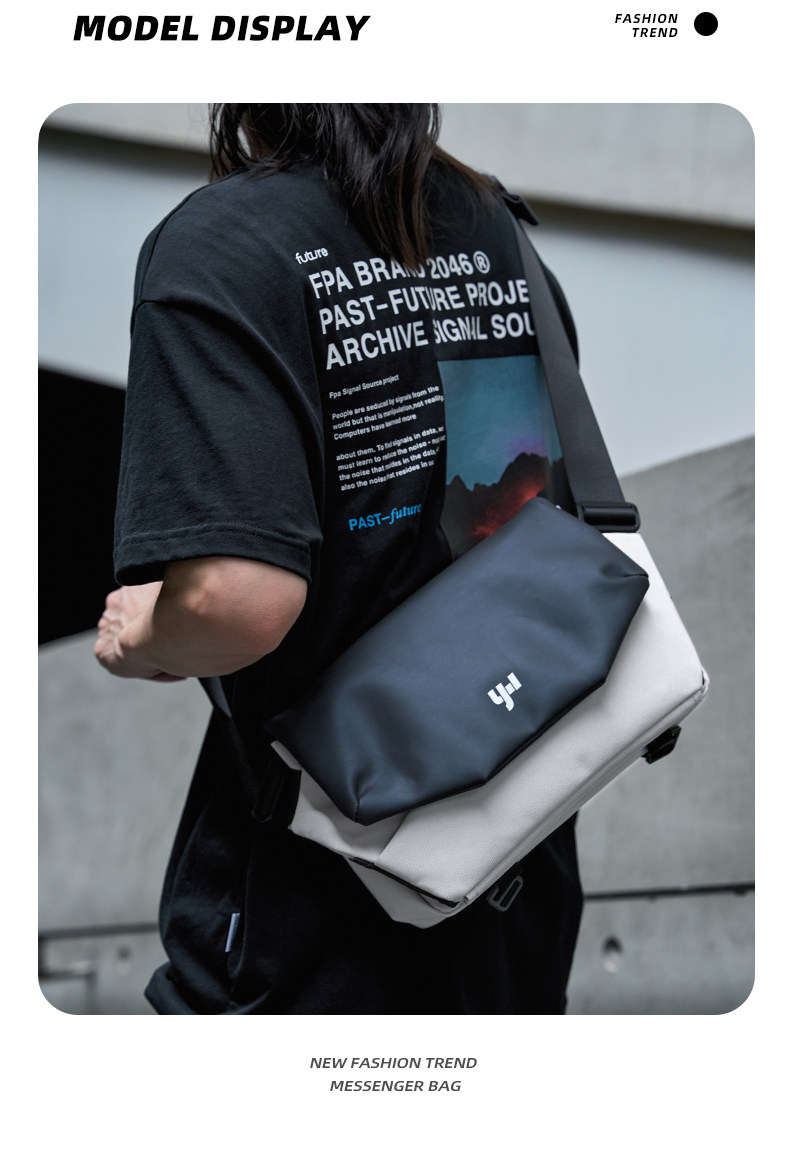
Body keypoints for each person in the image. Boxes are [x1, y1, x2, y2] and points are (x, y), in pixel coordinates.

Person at [94, 104, 583, 1014]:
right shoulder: (494, 227)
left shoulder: (224, 246)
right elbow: (535, 503)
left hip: (313, 907)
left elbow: (240, 600)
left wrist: (144, 629)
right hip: (517, 875)